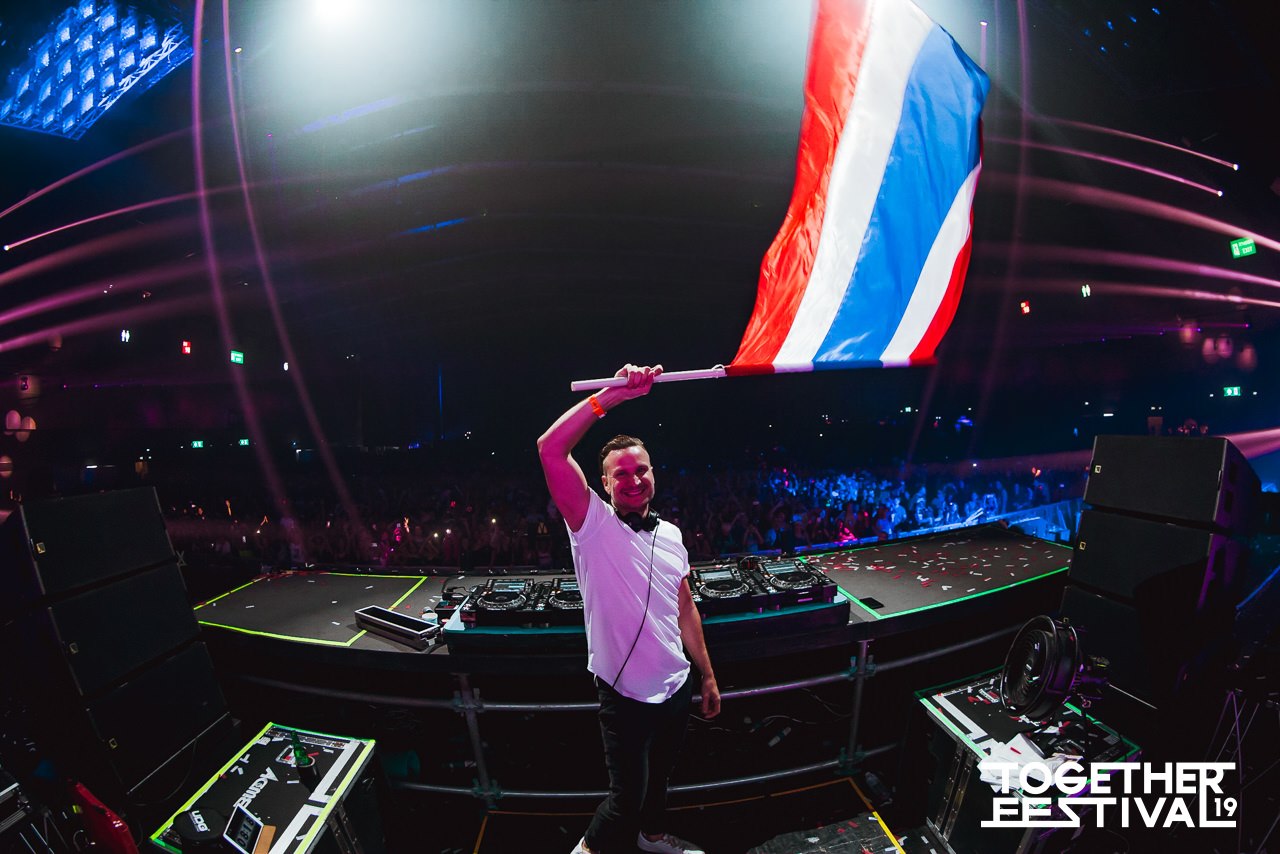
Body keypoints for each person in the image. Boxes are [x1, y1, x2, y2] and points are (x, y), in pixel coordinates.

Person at [537, 363, 720, 854]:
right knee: (625, 798)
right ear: (604, 482)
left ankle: (652, 836)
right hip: (624, 694)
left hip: (676, 684)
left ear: (654, 473)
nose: (634, 479)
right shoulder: (591, 525)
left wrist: (705, 674)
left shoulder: (672, 535)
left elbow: (684, 607)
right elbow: (549, 448)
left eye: (641, 469)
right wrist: (613, 395)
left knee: (659, 780)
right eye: (621, 473)